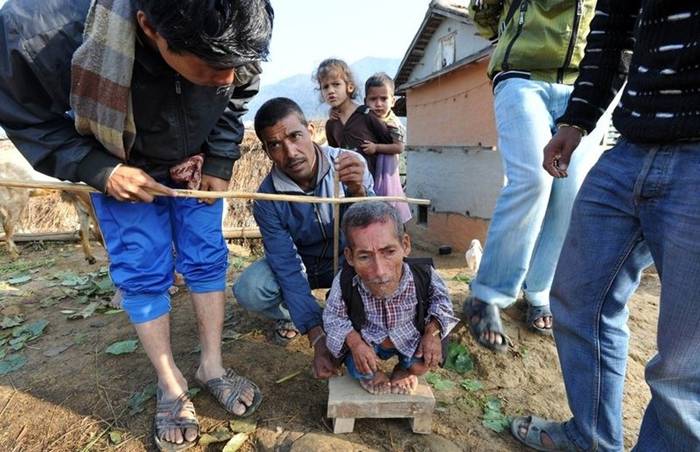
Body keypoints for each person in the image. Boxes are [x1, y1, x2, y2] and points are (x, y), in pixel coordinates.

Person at [0, 0, 273, 449]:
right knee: (143, 270)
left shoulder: (239, 18)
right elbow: (29, 121)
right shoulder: (36, 33)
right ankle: (170, 383)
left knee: (206, 258)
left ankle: (212, 367)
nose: (227, 78)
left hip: (195, 160)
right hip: (119, 162)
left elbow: (237, 91)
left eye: (236, 64)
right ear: (148, 27)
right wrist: (100, 168)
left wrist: (220, 157)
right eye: (209, 66)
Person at [512, 1, 700, 450]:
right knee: (577, 301)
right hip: (630, 146)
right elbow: (611, 33)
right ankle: (591, 436)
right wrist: (576, 120)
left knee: (685, 365)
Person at [465, 0, 604, 350]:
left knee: (570, 195)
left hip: (587, 85)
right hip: (522, 77)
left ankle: (539, 289)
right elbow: (484, 13)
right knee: (533, 178)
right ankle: (487, 295)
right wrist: (517, 32)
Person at [232, 97, 374, 378]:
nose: (291, 151)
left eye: (296, 136)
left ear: (310, 130)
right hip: (304, 267)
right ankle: (306, 316)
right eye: (275, 145)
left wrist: (358, 192)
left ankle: (342, 309)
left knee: (375, 268)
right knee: (250, 288)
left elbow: (372, 231)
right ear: (266, 151)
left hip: (348, 262)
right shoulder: (266, 198)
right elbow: (286, 265)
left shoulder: (348, 165)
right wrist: (317, 335)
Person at [323, 201, 458, 395]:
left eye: (389, 252)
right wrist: (355, 343)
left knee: (421, 366)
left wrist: (432, 333)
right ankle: (372, 372)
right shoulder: (344, 282)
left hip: (410, 340)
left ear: (405, 245)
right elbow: (333, 318)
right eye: (364, 257)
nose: (379, 271)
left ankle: (403, 369)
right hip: (368, 341)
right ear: (350, 257)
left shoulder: (425, 276)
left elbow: (442, 304)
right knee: (359, 366)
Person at [315, 58, 396, 177]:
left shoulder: (367, 115)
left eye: (336, 84)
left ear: (350, 87)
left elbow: (392, 145)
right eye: (325, 87)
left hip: (373, 188)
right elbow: (334, 155)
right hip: (346, 187)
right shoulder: (331, 125)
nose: (330, 91)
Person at [363, 73, 412, 223]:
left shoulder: (393, 123)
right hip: (375, 166)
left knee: (387, 199)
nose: (378, 104)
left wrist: (376, 147)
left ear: (393, 101)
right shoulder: (368, 117)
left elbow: (399, 147)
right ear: (366, 101)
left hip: (387, 168)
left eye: (383, 99)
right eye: (373, 99)